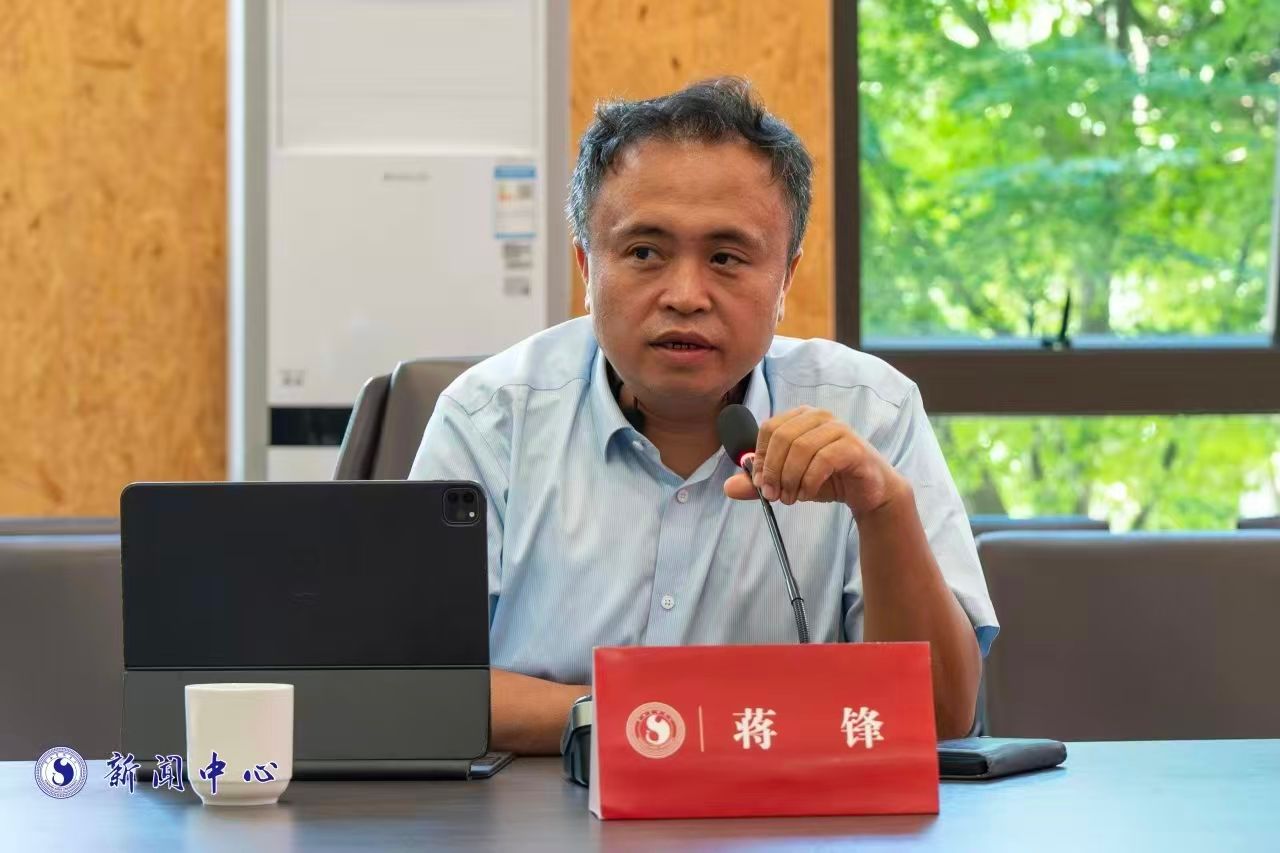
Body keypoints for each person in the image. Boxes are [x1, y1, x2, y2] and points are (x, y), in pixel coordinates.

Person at [410, 77, 998, 754]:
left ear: (785, 280)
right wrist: (663, 715)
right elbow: (411, 688)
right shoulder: (489, 419)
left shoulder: (872, 411)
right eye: (644, 253)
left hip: (787, 808)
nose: (685, 295)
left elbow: (940, 716)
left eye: (726, 257)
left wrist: (883, 509)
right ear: (586, 267)